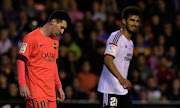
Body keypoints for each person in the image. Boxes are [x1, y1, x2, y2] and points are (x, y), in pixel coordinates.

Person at [17, 10, 71, 108]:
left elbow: (53, 64)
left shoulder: (55, 41)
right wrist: (22, 84)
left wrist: (58, 86)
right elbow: (21, 60)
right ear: (53, 21)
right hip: (36, 91)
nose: (62, 31)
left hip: (50, 93)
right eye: (61, 27)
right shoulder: (31, 38)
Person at [97, 6, 141, 108]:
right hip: (109, 90)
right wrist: (121, 78)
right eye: (132, 20)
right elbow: (108, 60)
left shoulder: (130, 43)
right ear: (124, 21)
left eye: (137, 21)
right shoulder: (116, 36)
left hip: (121, 91)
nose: (135, 24)